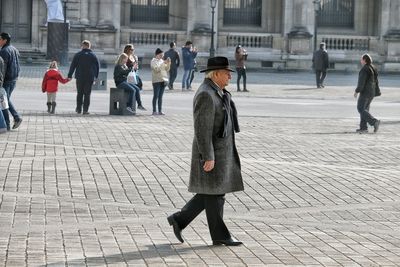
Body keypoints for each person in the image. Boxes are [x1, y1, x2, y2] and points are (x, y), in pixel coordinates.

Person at [167, 56, 244, 246]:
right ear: (216, 74)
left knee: (211, 193)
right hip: (213, 154)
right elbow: (202, 130)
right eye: (227, 74)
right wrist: (207, 156)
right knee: (216, 194)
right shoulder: (206, 95)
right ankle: (220, 236)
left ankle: (179, 220)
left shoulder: (217, 91)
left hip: (220, 153)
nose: (230, 78)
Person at [67, 40, 100, 115]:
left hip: (80, 77)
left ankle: (79, 109)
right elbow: (97, 67)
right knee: (87, 94)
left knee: (79, 93)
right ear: (89, 46)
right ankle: (85, 110)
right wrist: (96, 76)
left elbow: (73, 66)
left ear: (82, 46)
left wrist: (69, 75)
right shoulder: (93, 55)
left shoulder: (78, 55)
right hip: (89, 77)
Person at [0, 32, 22, 130]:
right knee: (6, 100)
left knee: (3, 101)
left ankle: (8, 123)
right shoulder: (14, 49)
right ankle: (16, 118)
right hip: (13, 79)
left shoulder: (4, 51)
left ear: (5, 40)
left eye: (0, 39)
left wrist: (1, 82)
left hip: (6, 80)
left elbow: (3, 69)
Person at [354, 53, 381, 134]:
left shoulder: (364, 69)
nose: (360, 60)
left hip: (365, 92)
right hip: (371, 92)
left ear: (365, 60)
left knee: (360, 108)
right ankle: (363, 127)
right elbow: (376, 81)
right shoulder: (373, 67)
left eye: (361, 59)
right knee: (365, 110)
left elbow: (361, 82)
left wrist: (357, 91)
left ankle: (374, 122)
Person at [123, 44, 146, 110]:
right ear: (127, 50)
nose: (133, 51)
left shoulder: (134, 56)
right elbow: (124, 67)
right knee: (134, 89)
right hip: (127, 77)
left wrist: (135, 67)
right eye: (131, 50)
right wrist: (132, 66)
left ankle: (137, 105)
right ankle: (132, 105)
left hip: (134, 75)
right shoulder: (125, 56)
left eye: (133, 50)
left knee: (137, 87)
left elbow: (136, 68)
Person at [151, 48, 170, 115]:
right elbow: (156, 69)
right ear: (157, 54)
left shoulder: (162, 61)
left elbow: (166, 69)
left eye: (163, 55)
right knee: (156, 96)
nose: (162, 57)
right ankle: (154, 111)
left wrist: (168, 63)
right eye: (161, 55)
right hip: (156, 81)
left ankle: (160, 110)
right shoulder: (153, 61)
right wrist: (163, 64)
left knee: (160, 97)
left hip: (163, 80)